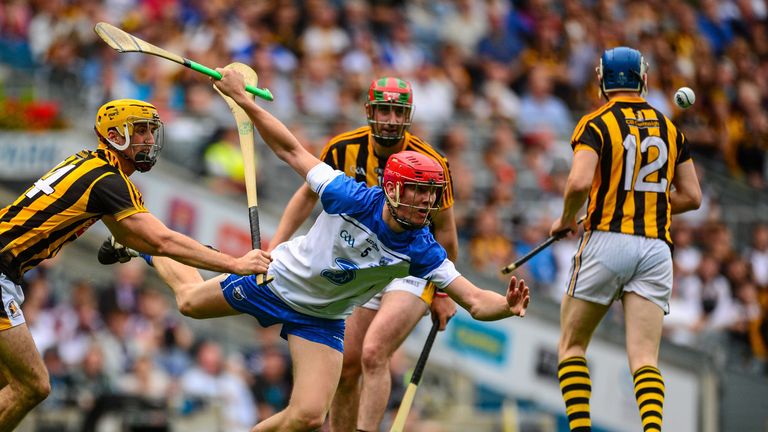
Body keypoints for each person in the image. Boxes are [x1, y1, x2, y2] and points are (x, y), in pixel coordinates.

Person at [100, 68, 531, 432]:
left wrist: (507, 306)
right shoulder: (351, 196)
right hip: (277, 283)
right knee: (190, 303)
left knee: (307, 416)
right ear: (394, 188)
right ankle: (146, 249)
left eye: (430, 194)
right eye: (417, 192)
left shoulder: (423, 249)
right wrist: (243, 103)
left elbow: (475, 301)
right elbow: (290, 150)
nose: (426, 202)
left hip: (322, 319)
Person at [0, 98, 270, 431]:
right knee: (33, 385)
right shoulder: (109, 182)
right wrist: (235, 263)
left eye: (151, 131)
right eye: (139, 131)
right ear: (114, 135)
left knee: (6, 382)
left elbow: (143, 239)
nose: (148, 139)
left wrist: (134, 247)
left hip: (8, 273)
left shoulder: (89, 164)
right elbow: (162, 241)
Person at [268, 76, 459, 432]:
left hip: (410, 266)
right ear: (369, 111)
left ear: (409, 116)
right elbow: (307, 194)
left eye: (397, 111)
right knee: (349, 364)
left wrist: (443, 291)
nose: (390, 118)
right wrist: (275, 245)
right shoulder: (343, 148)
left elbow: (446, 231)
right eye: (383, 109)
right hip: (363, 266)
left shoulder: (432, 162)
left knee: (374, 352)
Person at [550, 47, 702, 432]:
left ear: (602, 79)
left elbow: (580, 181)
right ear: (642, 79)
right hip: (655, 249)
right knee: (645, 359)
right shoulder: (669, 127)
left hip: (607, 242)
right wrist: (642, 201)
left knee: (571, 345)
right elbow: (692, 197)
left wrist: (566, 219)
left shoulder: (595, 122)